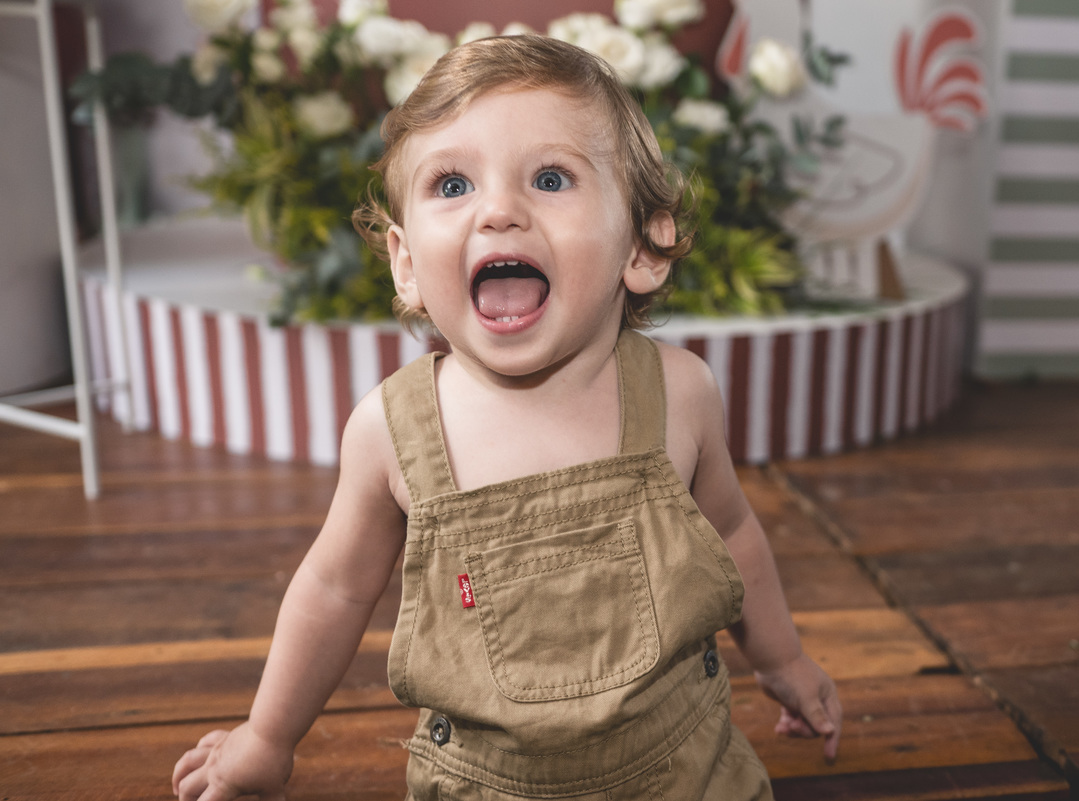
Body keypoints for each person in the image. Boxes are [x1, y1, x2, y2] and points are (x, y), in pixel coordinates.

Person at [172, 34, 841, 801]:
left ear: (643, 246)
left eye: (550, 177)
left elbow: (730, 535)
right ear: (407, 263)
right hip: (484, 785)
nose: (498, 211)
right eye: (452, 185)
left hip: (685, 769)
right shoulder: (394, 432)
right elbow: (333, 588)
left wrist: (783, 660)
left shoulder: (679, 394)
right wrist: (266, 738)